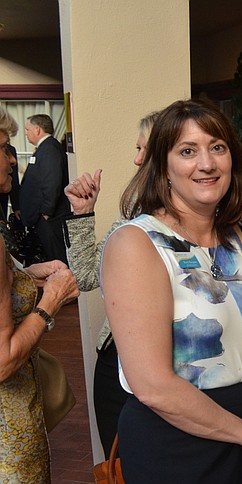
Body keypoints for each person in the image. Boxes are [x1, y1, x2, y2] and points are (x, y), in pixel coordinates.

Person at [100, 99, 242, 484]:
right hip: (179, 444)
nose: (206, 163)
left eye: (217, 147)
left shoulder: (239, 239)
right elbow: (153, 386)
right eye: (188, 151)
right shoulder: (136, 243)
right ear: (161, 165)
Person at [0, 107, 79, 484]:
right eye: (3, 150)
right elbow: (4, 359)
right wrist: (48, 304)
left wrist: (24, 274)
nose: (12, 160)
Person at [63, 110, 159, 454]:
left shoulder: (204, 217)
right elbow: (88, 275)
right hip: (115, 364)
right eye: (137, 148)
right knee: (122, 475)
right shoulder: (133, 207)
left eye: (143, 149)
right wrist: (82, 213)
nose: (136, 160)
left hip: (168, 370)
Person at [20, 114, 71, 264]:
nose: (25, 133)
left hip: (50, 218)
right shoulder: (44, 148)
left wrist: (46, 212)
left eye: (27, 129)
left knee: (57, 259)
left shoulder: (50, 149)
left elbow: (52, 182)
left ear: (37, 130)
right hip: (43, 218)